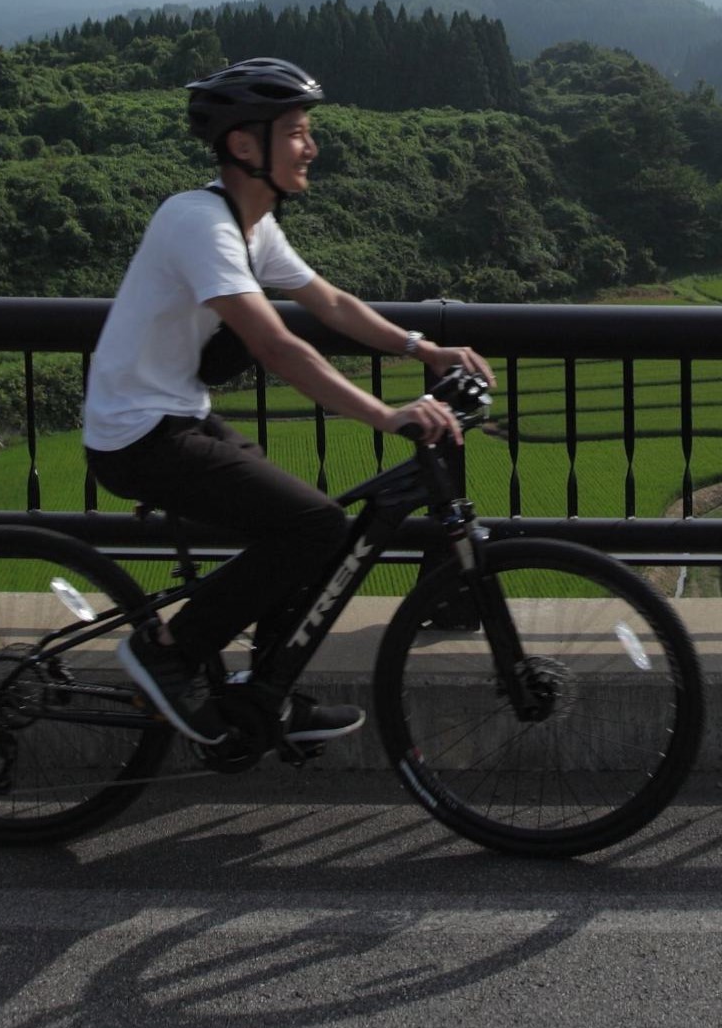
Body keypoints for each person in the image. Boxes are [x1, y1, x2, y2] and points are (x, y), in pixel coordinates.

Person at [82, 57, 490, 756]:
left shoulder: (251, 226)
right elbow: (275, 345)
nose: (312, 146)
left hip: (176, 416)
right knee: (314, 524)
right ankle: (167, 651)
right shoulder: (198, 223)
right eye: (297, 131)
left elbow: (330, 304)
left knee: (312, 529)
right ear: (245, 145)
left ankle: (266, 692)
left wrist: (423, 348)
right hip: (136, 433)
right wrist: (386, 415)